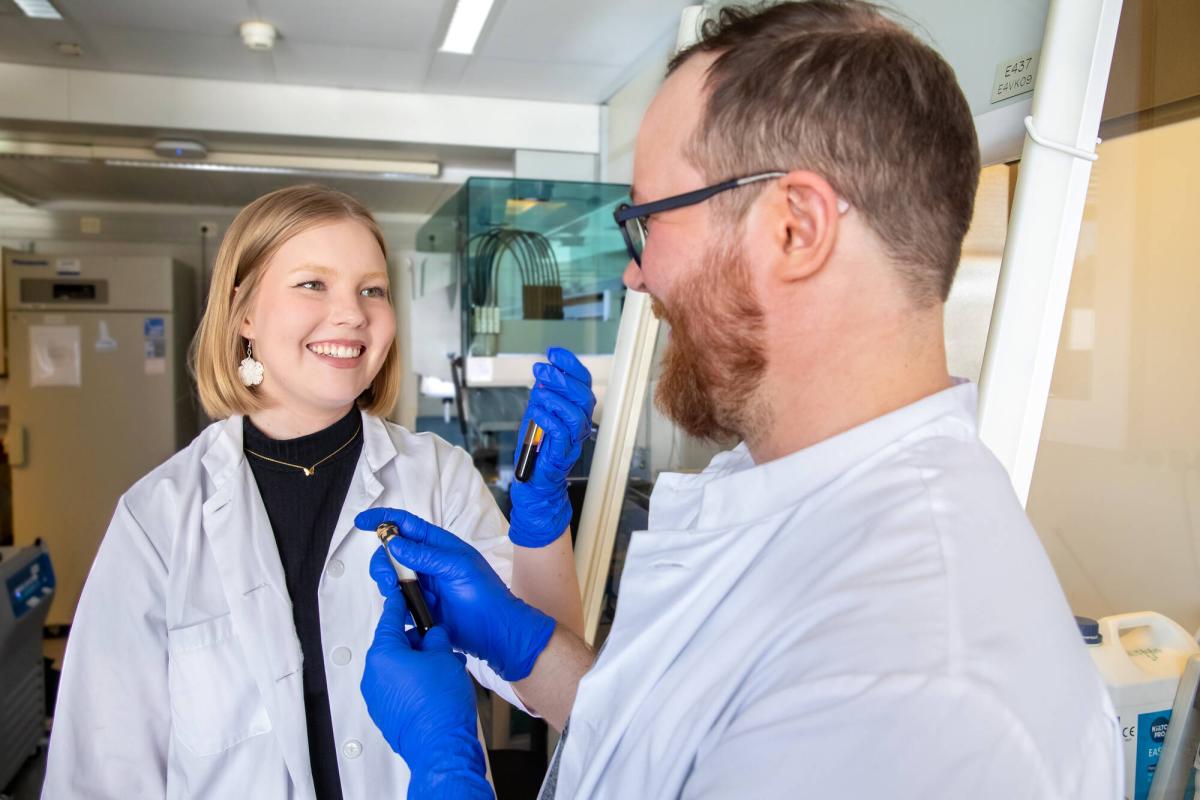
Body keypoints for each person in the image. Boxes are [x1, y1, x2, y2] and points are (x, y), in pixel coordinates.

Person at [355, 2, 1123, 798]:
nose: (635, 274)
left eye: (646, 220)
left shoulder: (914, 684)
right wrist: (528, 649)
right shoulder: (784, 497)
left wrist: (450, 774)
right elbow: (677, 745)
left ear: (796, 228)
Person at [41, 184, 590, 799]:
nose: (352, 313)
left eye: (371, 289)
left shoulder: (437, 475)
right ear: (244, 311)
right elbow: (100, 768)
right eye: (313, 284)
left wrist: (541, 523)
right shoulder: (159, 517)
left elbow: (552, 692)